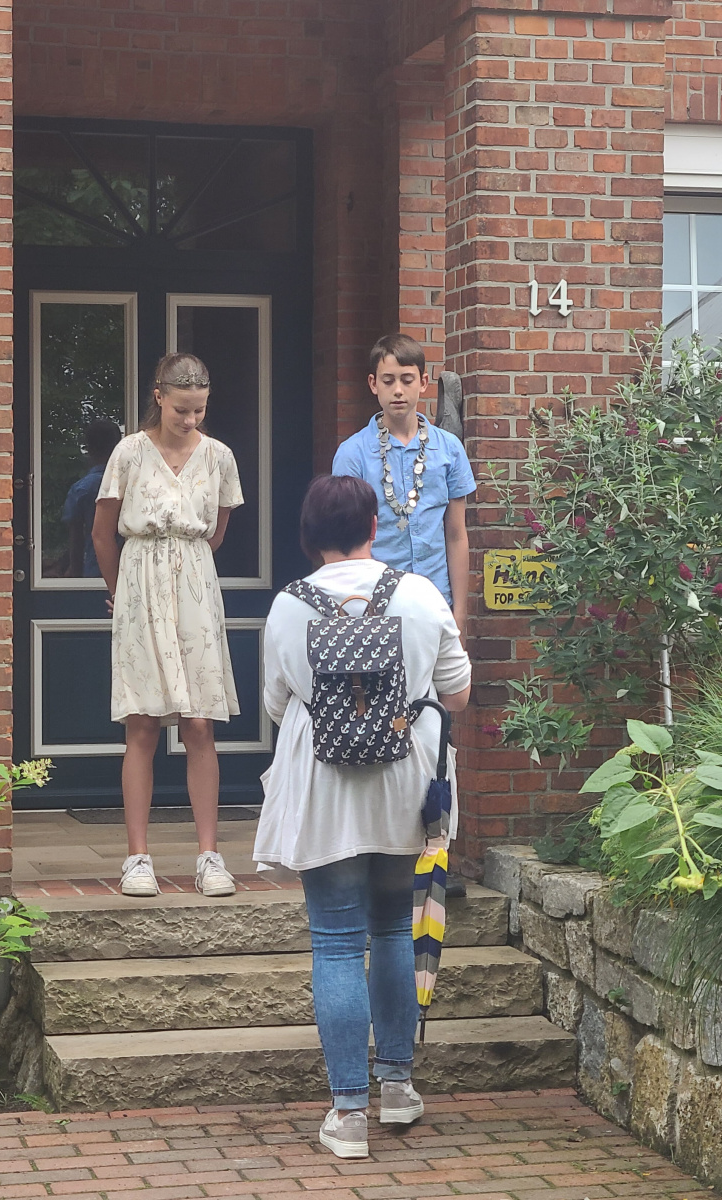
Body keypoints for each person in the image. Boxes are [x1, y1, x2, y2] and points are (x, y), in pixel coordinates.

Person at [254, 475, 472, 1159]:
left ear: (307, 535)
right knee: (394, 931)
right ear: (374, 527)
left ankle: (348, 1116)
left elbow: (276, 703)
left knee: (337, 942)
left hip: (325, 791)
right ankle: (398, 1086)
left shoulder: (288, 606)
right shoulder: (420, 593)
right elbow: (458, 694)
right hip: (406, 785)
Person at [92, 352, 243, 899]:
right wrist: (121, 593)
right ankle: (137, 858)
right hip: (139, 584)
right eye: (182, 409)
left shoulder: (219, 456)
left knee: (200, 723)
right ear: (159, 397)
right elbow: (102, 532)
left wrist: (184, 570)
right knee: (142, 723)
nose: (190, 419)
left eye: (199, 410)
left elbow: (216, 532)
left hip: (195, 588)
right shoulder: (129, 452)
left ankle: (209, 856)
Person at [331, 333, 476, 634]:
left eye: (407, 380)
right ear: (373, 384)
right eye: (388, 381)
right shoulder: (352, 453)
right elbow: (344, 540)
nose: (398, 390)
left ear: (423, 382)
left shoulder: (449, 449)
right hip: (374, 605)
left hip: (436, 602)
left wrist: (460, 614)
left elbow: (456, 534)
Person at [62, 417, 122, 578]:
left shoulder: (81, 489)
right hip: (129, 571)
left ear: (88, 448)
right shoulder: (132, 486)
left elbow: (76, 537)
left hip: (94, 572)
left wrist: (74, 572)